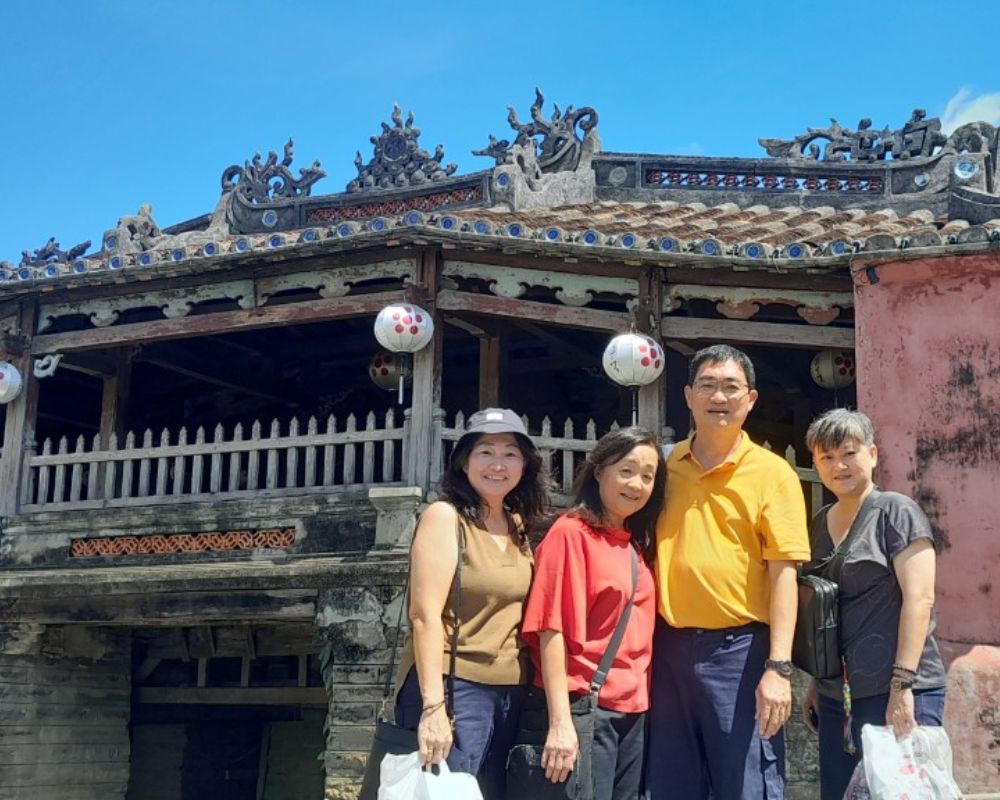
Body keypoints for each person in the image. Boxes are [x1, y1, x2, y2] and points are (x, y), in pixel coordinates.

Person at [647, 344, 810, 800]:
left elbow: (784, 573)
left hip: (739, 653)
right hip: (666, 647)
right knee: (671, 781)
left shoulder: (772, 474)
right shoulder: (661, 467)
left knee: (746, 781)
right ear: (688, 395)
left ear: (750, 399)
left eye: (731, 387)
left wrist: (778, 667)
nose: (719, 396)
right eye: (708, 385)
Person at [393, 408, 550, 800]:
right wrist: (433, 708)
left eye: (511, 453)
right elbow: (424, 616)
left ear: (525, 465)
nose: (498, 464)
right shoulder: (445, 517)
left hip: (510, 692)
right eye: (485, 451)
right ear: (464, 461)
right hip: (455, 686)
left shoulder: (517, 526)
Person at [800, 408, 946, 800]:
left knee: (901, 792)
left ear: (873, 454)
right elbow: (825, 611)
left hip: (894, 689)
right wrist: (818, 681)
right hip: (839, 696)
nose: (839, 465)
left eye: (849, 453)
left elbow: (920, 598)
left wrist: (902, 687)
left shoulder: (896, 512)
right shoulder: (819, 522)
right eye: (826, 457)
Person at [519, 426, 666, 800]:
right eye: (627, 470)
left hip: (633, 710)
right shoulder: (572, 534)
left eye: (648, 476)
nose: (637, 484)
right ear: (599, 470)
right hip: (585, 706)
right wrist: (559, 722)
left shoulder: (635, 544)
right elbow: (550, 630)